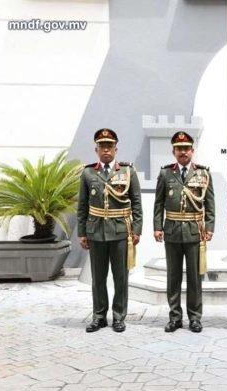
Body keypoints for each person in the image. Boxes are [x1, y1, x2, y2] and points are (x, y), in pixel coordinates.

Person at [78, 128, 143, 333]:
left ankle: (118, 316)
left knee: (120, 277)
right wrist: (82, 232)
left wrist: (137, 229)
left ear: (116, 149)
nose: (106, 150)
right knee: (98, 278)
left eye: (109, 146)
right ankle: (99, 316)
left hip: (120, 231)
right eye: (102, 146)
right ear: (96, 149)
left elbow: (136, 203)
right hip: (96, 231)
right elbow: (82, 206)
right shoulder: (89, 172)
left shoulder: (127, 171)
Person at [153, 131, 215, 333]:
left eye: (186, 148)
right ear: (173, 151)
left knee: (195, 278)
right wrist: (157, 226)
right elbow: (159, 203)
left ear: (192, 150)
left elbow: (209, 204)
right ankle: (175, 317)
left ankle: (195, 317)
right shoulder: (165, 173)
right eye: (179, 149)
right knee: (173, 277)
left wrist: (209, 227)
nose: (183, 152)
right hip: (171, 231)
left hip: (194, 232)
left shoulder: (203, 173)